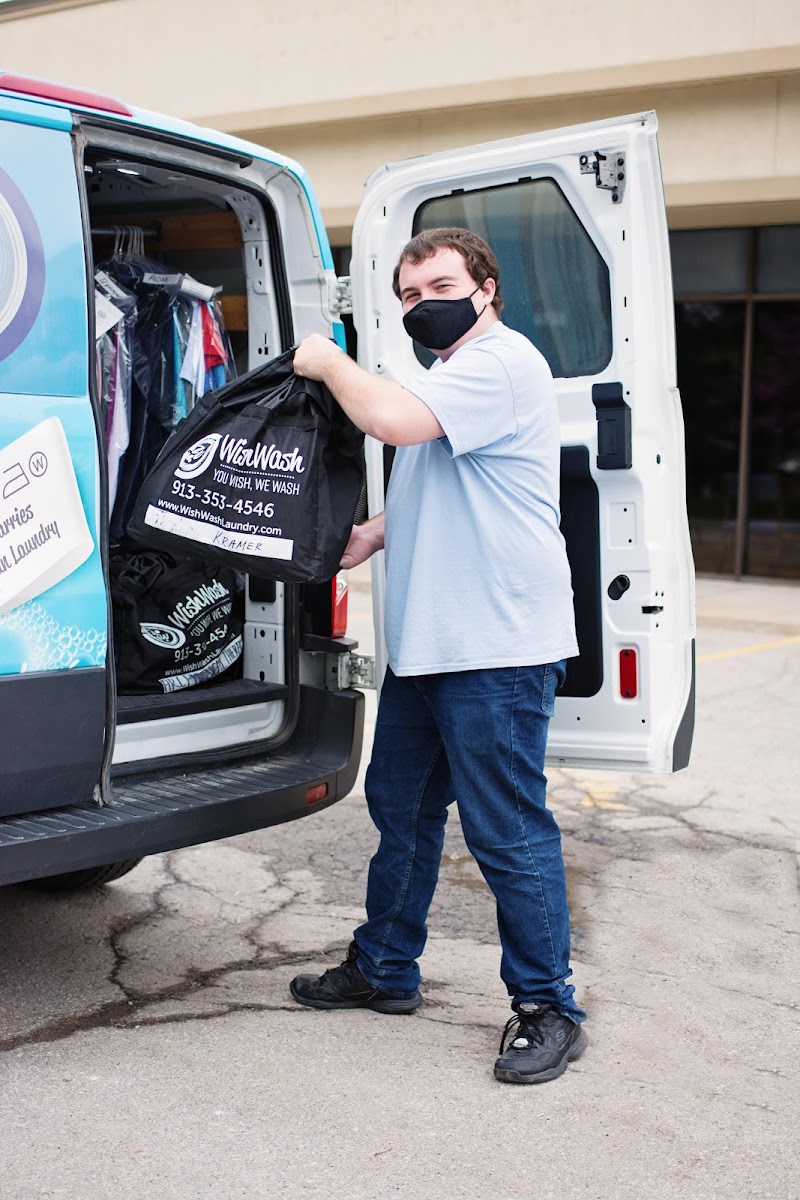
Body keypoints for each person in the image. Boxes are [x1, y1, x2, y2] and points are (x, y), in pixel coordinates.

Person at [290, 227, 587, 1085]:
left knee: (506, 831)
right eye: (411, 296)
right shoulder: (451, 378)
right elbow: (451, 477)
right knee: (402, 813)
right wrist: (375, 534)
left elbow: (385, 416)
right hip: (431, 646)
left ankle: (548, 1007)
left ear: (486, 288)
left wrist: (327, 359)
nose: (426, 305)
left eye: (442, 286)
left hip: (496, 648)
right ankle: (384, 967)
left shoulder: (500, 364)